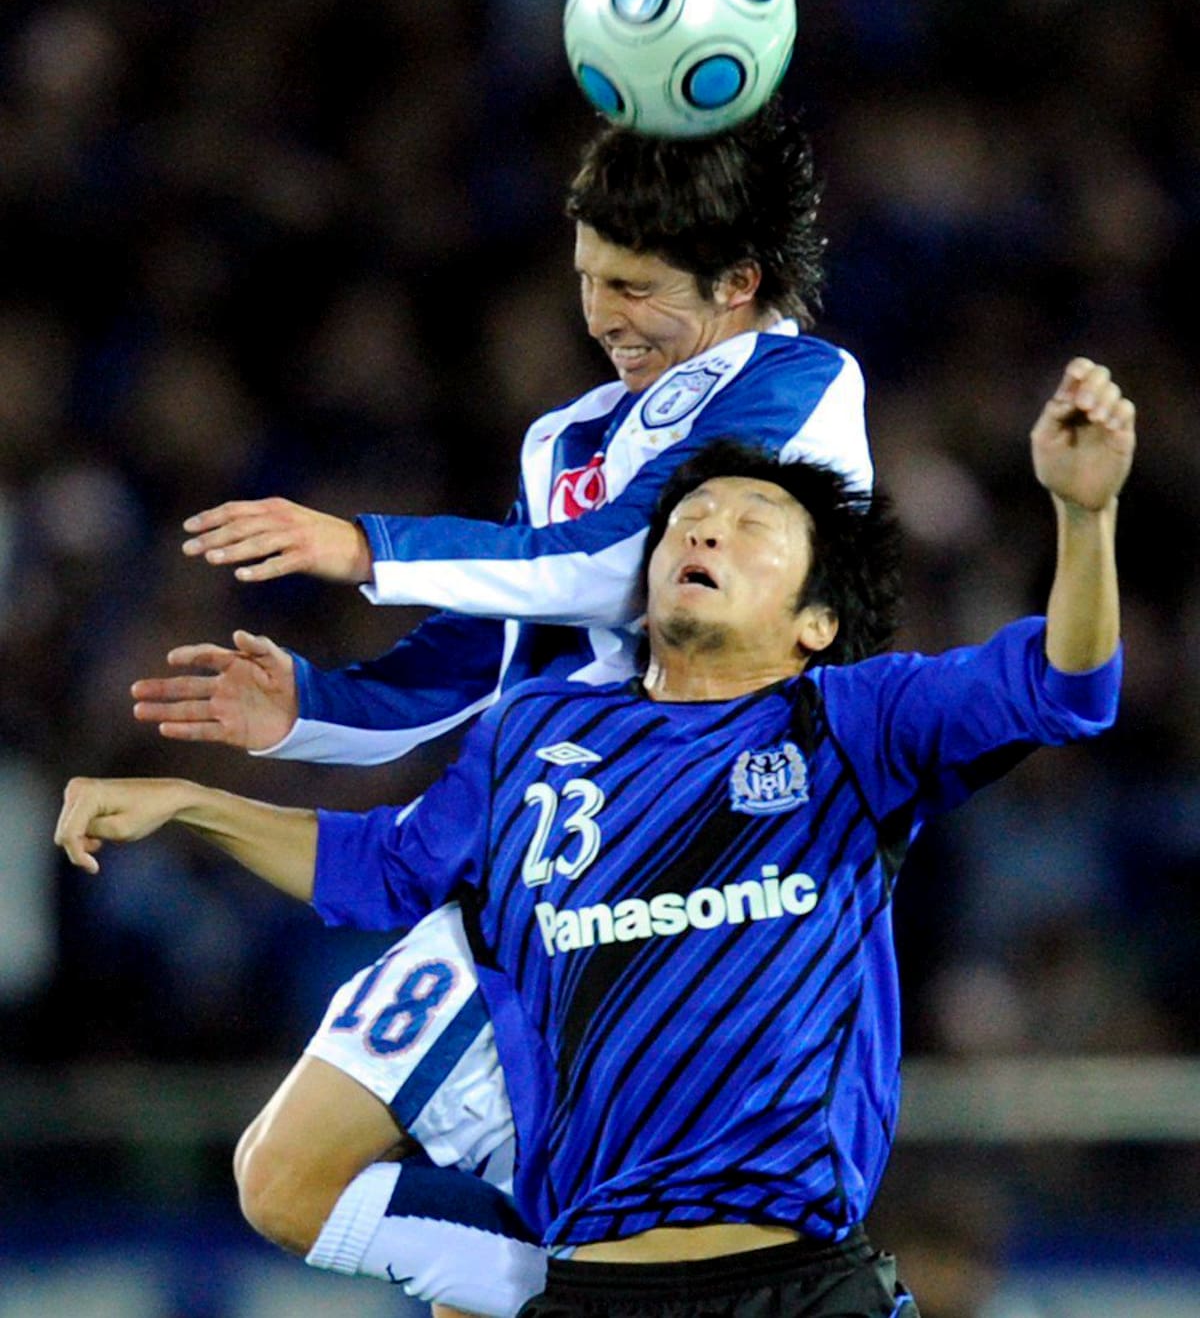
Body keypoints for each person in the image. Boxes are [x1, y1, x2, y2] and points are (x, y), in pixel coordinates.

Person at [60, 356, 1134, 1318]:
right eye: (688, 517)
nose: (704, 530)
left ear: (817, 620)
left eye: (752, 523)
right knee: (282, 1183)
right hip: (589, 1291)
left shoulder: (854, 722)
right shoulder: (537, 730)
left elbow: (1068, 686)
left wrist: (1084, 521)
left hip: (798, 1286)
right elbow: (383, 868)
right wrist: (192, 804)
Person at [123, 105, 874, 1311]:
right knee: (285, 1177)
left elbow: (612, 561)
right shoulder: (566, 435)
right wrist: (309, 709)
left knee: (468, 1223)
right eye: (586, 280)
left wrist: (363, 544)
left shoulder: (801, 384)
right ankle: (568, 1293)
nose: (602, 318)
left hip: (680, 859)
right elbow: (507, 641)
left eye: (634, 286)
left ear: (739, 282)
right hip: (529, 837)